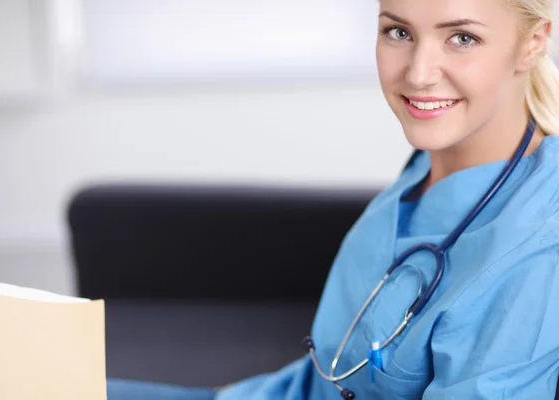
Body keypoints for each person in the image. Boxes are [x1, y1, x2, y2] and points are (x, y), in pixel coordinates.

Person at [107, 0, 559, 398]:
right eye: (398, 32)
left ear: (532, 41)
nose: (418, 74)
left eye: (462, 38)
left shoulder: (539, 244)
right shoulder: (438, 154)